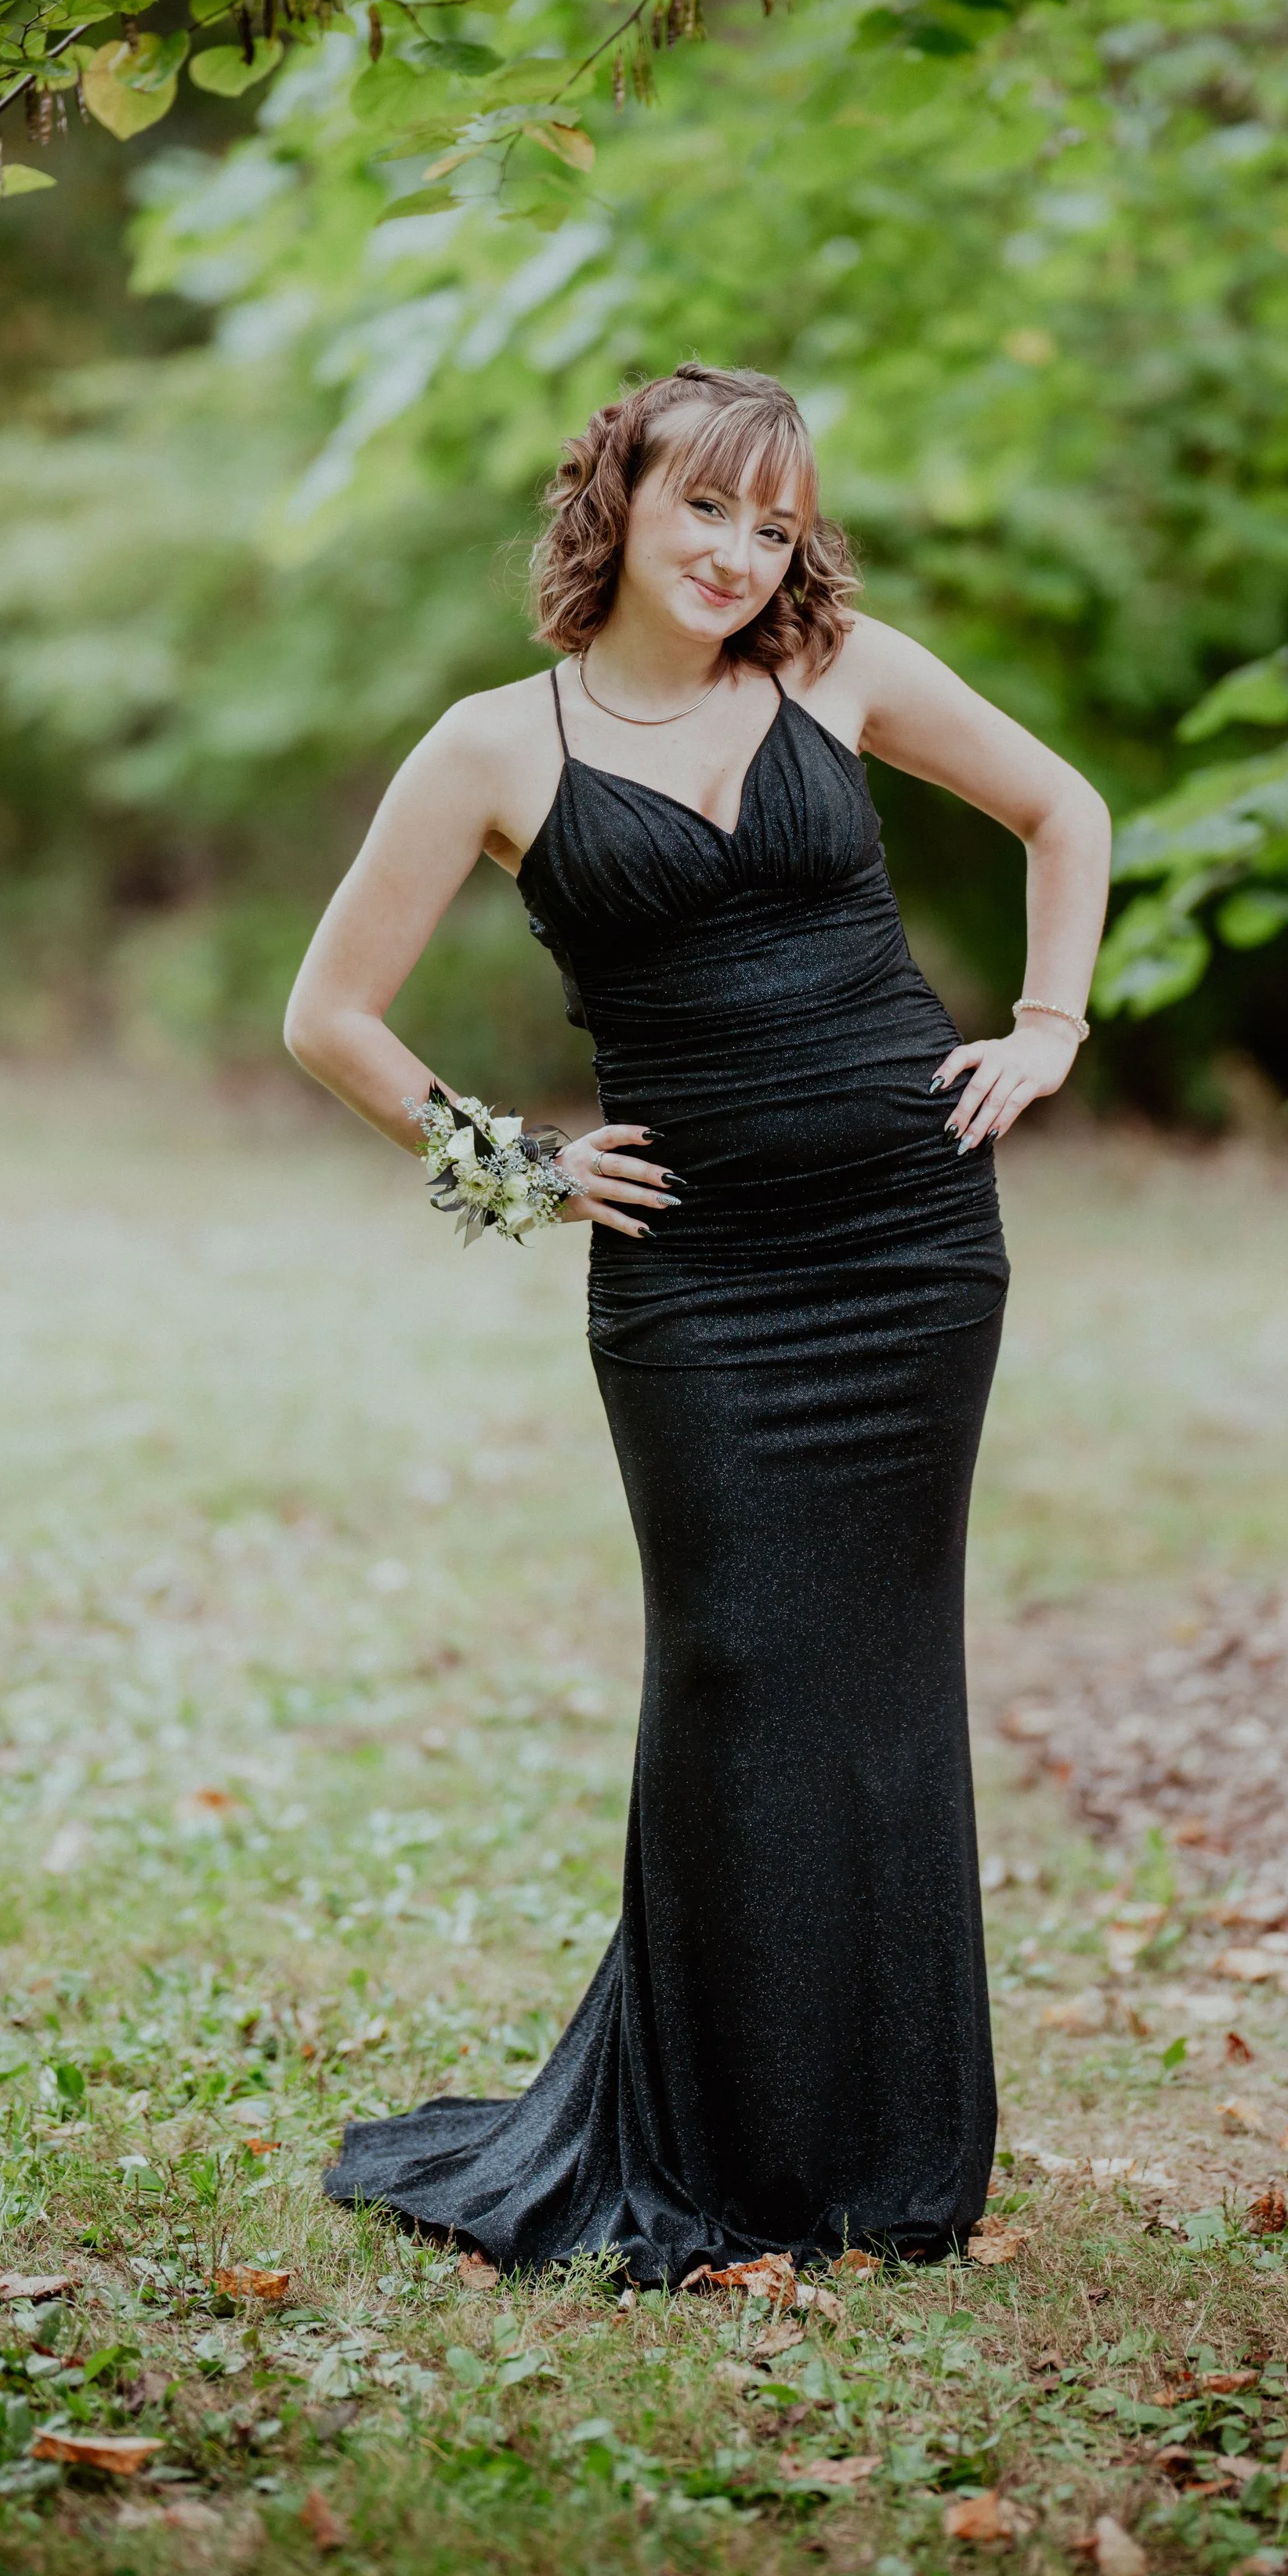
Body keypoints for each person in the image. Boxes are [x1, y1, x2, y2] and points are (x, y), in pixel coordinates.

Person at [284, 363, 1111, 2283]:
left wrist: (1049, 1026)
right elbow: (331, 1015)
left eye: (776, 518)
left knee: (886, 1676)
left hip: (910, 1246)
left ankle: (886, 2155)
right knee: (734, 1660)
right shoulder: (492, 748)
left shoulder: (842, 674)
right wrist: (514, 1164)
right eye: (707, 511)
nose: (746, 553)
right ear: (618, 505)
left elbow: (1062, 810)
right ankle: (716, 2144)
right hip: (701, 1282)